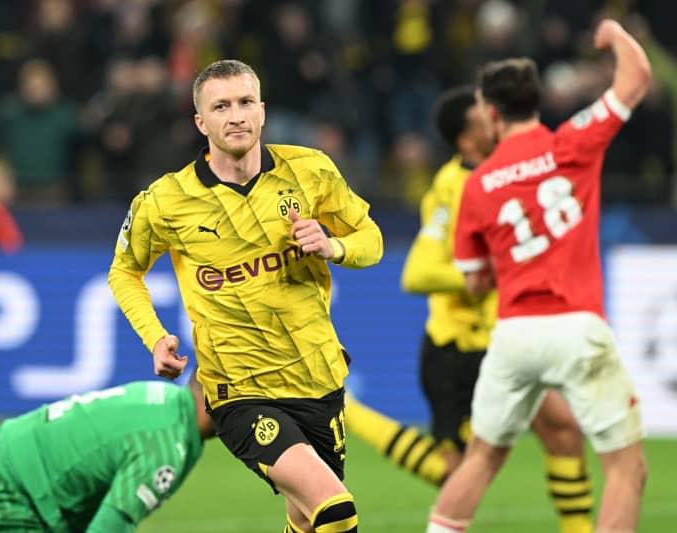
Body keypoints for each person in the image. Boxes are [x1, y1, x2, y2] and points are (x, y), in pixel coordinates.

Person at [108, 59, 383, 533]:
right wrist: (154, 338)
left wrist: (334, 245)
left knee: (307, 520)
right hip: (239, 390)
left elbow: (371, 239)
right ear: (201, 122)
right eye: (220, 106)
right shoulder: (165, 200)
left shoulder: (310, 171)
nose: (235, 115)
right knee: (337, 511)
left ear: (262, 110)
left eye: (244, 102)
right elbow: (124, 272)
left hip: (318, 376)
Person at [426, 19, 650, 533]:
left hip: (515, 333)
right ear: (537, 100)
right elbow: (635, 78)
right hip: (577, 326)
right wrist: (614, 34)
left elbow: (475, 279)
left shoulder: (477, 184)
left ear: (490, 111)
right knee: (624, 467)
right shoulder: (574, 143)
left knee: (481, 458)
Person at [346, 86, 595, 533]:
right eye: (484, 117)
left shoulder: (505, 170)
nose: (495, 119)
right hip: (459, 350)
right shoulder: (453, 187)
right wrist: (488, 273)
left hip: (504, 340)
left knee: (563, 430)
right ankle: (351, 413)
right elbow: (416, 274)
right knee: (456, 472)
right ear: (465, 140)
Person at [0, 371, 214, 532]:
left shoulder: (165, 401)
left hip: (1, 465)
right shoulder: (165, 442)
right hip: (5, 491)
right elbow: (109, 526)